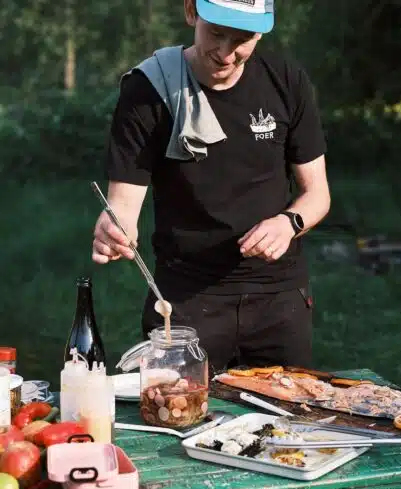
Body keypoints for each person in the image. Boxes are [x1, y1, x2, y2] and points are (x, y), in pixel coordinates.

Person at [92, 0, 331, 374]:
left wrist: (288, 223)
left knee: (287, 411)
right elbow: (122, 207)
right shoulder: (148, 89)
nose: (226, 53)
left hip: (278, 299)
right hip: (185, 302)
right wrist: (114, 229)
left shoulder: (286, 81)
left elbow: (317, 194)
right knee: (176, 408)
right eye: (216, 33)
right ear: (191, 11)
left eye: (243, 39)